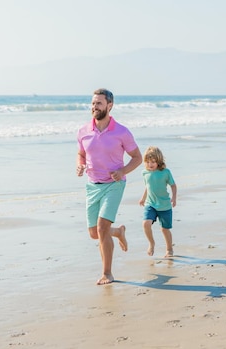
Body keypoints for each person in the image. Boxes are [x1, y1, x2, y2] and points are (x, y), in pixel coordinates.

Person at [76, 88, 142, 285]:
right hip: (92, 185)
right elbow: (81, 154)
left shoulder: (122, 132)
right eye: (93, 103)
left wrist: (122, 171)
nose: (94, 107)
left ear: (109, 106)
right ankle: (118, 232)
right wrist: (79, 165)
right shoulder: (83, 131)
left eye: (99, 103)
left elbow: (137, 158)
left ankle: (107, 273)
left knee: (103, 227)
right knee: (95, 233)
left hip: (114, 185)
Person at [139, 146, 177, 258]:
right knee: (146, 223)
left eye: (153, 162)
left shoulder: (165, 172)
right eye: (148, 162)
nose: (150, 164)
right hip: (150, 204)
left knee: (165, 229)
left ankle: (169, 249)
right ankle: (151, 243)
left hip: (164, 205)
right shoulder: (145, 173)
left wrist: (174, 198)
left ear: (159, 161)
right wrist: (143, 198)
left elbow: (173, 185)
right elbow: (148, 186)